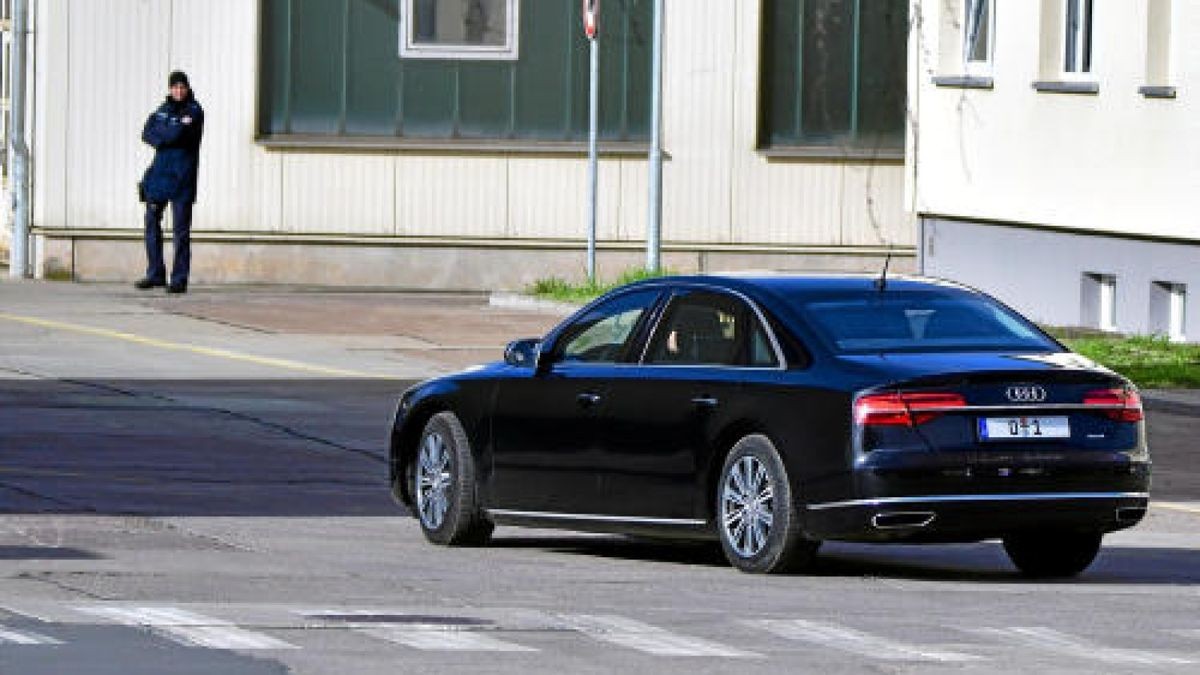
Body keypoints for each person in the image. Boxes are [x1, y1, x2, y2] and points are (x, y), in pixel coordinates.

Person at [135, 71, 204, 294]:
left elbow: (177, 136)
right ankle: (155, 273)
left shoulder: (194, 111)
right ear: (169, 89)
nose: (179, 91)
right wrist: (167, 134)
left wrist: (164, 135)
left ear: (187, 88)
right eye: (175, 87)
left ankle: (179, 278)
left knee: (180, 231)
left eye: (182, 87)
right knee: (151, 220)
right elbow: (147, 132)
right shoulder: (162, 110)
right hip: (160, 174)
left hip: (182, 177)